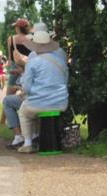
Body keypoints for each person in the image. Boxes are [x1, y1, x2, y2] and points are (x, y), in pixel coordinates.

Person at [13, 26, 68, 154]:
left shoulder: (33, 61)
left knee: (23, 112)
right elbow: (65, 80)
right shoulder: (60, 60)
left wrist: (26, 93)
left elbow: (26, 87)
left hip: (39, 103)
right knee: (36, 109)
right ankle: (43, 139)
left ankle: (28, 143)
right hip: (61, 102)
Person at [0, 18, 31, 126]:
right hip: (28, 68)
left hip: (16, 68)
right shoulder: (32, 39)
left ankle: (2, 120)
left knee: (8, 95)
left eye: (16, 26)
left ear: (18, 28)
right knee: (28, 93)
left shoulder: (11, 39)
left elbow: (10, 59)